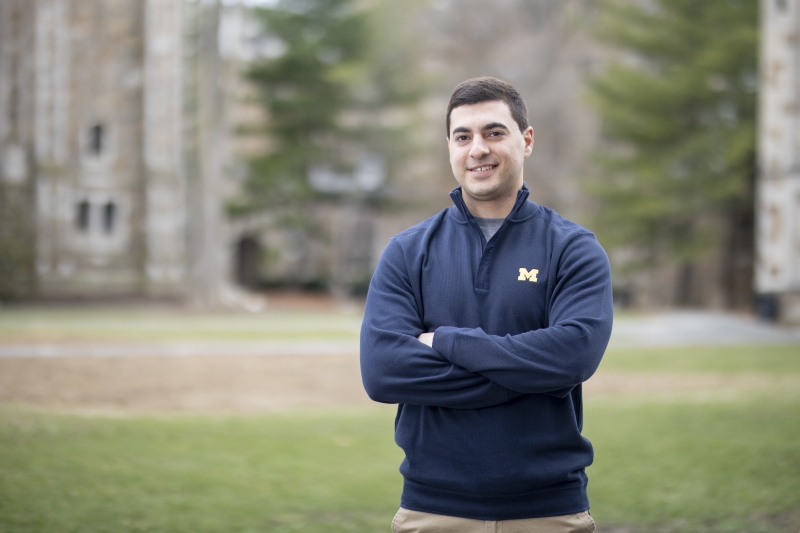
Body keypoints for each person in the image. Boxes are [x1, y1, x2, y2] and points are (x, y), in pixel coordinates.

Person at [360, 77, 613, 533]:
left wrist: (448, 341)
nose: (478, 149)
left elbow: (573, 356)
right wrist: (530, 374)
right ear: (451, 149)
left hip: (549, 511)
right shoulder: (408, 251)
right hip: (431, 511)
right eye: (463, 137)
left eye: (494, 132)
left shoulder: (573, 249)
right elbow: (383, 371)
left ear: (526, 140)